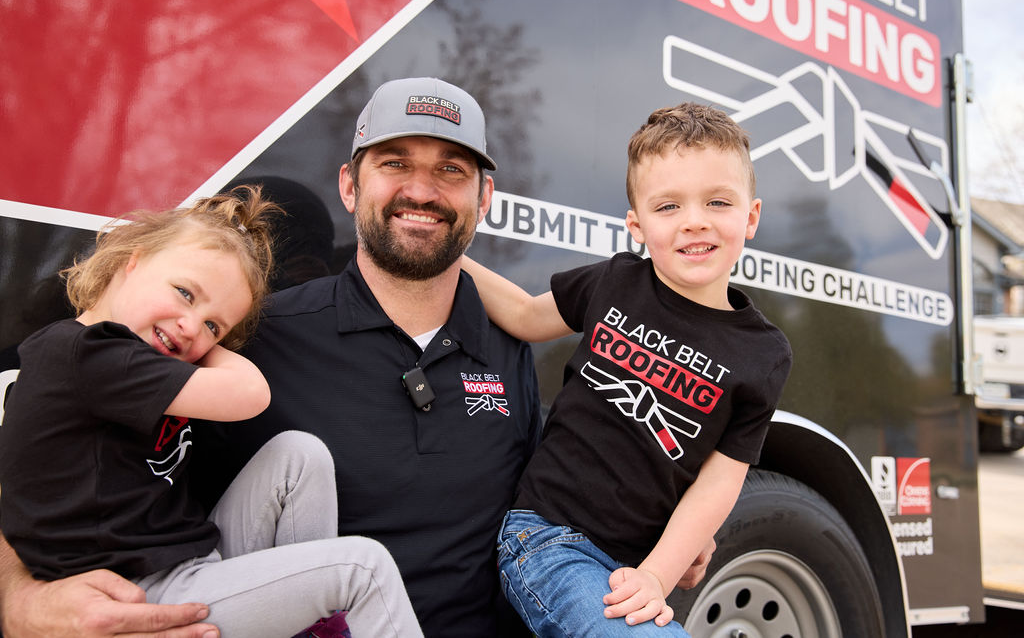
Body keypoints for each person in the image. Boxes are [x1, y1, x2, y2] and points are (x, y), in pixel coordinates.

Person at [0, 78, 716, 638]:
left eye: (452, 170)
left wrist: (661, 531)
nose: (421, 189)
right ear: (350, 185)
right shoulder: (257, 339)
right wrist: (18, 597)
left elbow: (550, 502)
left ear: (484, 198)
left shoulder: (507, 344)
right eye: (395, 162)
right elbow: (59, 455)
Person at [0, 187, 422, 638]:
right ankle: (321, 621)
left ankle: (308, 622)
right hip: (140, 592)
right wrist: (214, 339)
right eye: (184, 293)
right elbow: (250, 393)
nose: (189, 327)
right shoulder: (88, 352)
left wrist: (203, 321)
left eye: (213, 326)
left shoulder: (117, 358)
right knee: (364, 568)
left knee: (298, 455)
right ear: (131, 261)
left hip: (184, 563)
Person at [460, 102, 793, 636]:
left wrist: (658, 574)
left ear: (750, 217)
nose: (694, 220)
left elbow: (717, 484)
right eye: (668, 207)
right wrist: (446, 255)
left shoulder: (765, 353)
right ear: (637, 226)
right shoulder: (616, 282)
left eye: (717, 201)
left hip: (635, 567)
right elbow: (524, 315)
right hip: (547, 539)